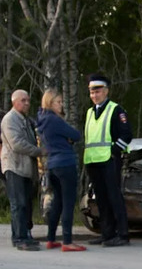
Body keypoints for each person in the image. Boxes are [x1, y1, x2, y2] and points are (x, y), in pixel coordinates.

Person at [82, 73, 133, 247]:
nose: (94, 96)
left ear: (106, 91)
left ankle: (123, 234)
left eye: (98, 91)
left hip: (109, 160)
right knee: (101, 199)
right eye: (91, 92)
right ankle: (107, 233)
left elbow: (127, 134)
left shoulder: (115, 109)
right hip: (93, 161)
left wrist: (114, 151)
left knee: (114, 197)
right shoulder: (89, 112)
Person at [36, 89, 86, 252]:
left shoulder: (42, 120)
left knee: (57, 201)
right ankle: (67, 240)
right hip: (65, 162)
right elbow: (76, 135)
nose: (61, 105)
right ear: (50, 103)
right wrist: (69, 137)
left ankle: (51, 238)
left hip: (52, 163)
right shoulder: (54, 120)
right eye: (58, 102)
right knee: (68, 202)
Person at [1, 89, 46, 251]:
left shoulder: (26, 120)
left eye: (28, 100)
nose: (27, 103)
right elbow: (17, 144)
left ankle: (26, 234)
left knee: (26, 204)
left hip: (26, 169)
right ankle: (19, 238)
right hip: (15, 167)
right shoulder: (10, 119)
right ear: (14, 102)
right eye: (23, 100)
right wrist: (39, 151)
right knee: (18, 204)